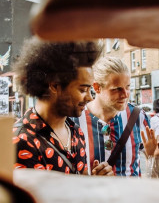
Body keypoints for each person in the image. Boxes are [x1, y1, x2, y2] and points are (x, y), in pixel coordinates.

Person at [12, 37, 113, 176]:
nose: (90, 98)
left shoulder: (76, 132)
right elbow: (33, 197)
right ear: (54, 86)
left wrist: (95, 182)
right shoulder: (22, 141)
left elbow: (80, 186)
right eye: (83, 90)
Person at [72, 57, 150, 176]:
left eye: (128, 87)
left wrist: (156, 158)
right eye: (117, 89)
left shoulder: (138, 117)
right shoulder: (75, 120)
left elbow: (154, 172)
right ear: (97, 87)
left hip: (131, 194)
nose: (125, 94)